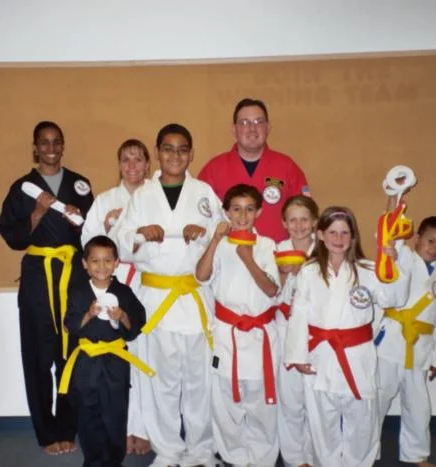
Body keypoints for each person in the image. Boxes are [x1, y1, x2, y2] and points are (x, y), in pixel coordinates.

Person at [111, 123, 225, 467]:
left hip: (193, 297)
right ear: (157, 153)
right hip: (156, 299)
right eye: (168, 149)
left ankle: (201, 450)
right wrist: (142, 235)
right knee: (160, 381)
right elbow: (120, 244)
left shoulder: (204, 193)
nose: (175, 156)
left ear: (191, 154)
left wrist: (203, 236)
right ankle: (168, 450)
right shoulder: (142, 196)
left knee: (199, 381)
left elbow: (224, 240)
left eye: (182, 149)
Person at [283, 206, 410, 467]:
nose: (338, 238)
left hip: (357, 356)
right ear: (320, 234)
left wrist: (392, 264)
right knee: (321, 424)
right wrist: (297, 355)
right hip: (320, 355)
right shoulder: (308, 271)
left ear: (353, 237)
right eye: (332, 232)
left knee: (362, 422)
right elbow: (298, 315)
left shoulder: (368, 269)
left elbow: (395, 298)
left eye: (344, 232)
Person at [0, 120, 93, 455]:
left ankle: (68, 427)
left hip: (72, 276)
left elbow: (92, 236)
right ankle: (46, 432)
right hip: (38, 276)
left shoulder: (80, 185)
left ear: (63, 145)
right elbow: (10, 235)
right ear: (35, 147)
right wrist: (37, 214)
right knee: (38, 354)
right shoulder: (23, 187)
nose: (51, 148)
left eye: (56, 142)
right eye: (44, 143)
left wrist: (78, 224)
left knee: (72, 352)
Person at [195, 184, 280, 467]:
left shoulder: (267, 245)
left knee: (260, 401)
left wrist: (248, 259)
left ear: (259, 212)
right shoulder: (219, 244)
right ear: (226, 212)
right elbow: (201, 275)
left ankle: (262, 460)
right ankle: (234, 457)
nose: (242, 215)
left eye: (249, 209)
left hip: (259, 335)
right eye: (236, 209)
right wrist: (215, 240)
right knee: (226, 400)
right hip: (226, 332)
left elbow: (271, 290)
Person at [81, 138, 152, 455]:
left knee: (146, 356)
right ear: (119, 165)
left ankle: (145, 429)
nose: (132, 165)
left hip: (150, 283)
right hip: (115, 281)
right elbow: (88, 242)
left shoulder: (157, 197)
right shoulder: (104, 200)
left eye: (138, 159)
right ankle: (121, 430)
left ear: (148, 164)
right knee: (118, 359)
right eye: (126, 159)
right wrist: (110, 227)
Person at [61, 235, 151, 467]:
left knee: (115, 414)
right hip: (86, 361)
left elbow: (135, 328)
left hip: (115, 361)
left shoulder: (124, 292)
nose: (101, 266)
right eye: (95, 261)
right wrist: (89, 314)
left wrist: (122, 316)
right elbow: (70, 325)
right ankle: (93, 461)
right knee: (87, 414)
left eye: (107, 261)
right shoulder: (79, 292)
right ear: (85, 264)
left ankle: (113, 461)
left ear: (116, 263)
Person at [375, 217, 436, 467]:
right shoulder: (403, 259)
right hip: (388, 346)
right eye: (430, 241)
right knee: (375, 402)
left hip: (419, 350)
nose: (434, 249)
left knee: (418, 408)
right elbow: (391, 242)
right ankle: (364, 452)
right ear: (417, 237)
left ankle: (416, 454)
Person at [198, 98, 310, 243]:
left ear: (268, 128)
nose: (252, 129)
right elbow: (199, 217)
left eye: (259, 122)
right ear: (234, 129)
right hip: (227, 258)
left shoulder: (287, 167)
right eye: (244, 123)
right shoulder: (213, 169)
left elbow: (305, 214)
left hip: (275, 258)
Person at [275, 195, 319, 467]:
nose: (299, 225)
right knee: (289, 397)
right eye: (293, 219)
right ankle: (294, 458)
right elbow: (267, 292)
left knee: (314, 398)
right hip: (284, 328)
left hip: (316, 333)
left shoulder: (325, 251)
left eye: (305, 219)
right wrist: (283, 274)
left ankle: (315, 455)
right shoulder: (276, 249)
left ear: (315, 222)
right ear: (284, 223)